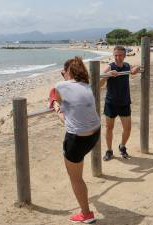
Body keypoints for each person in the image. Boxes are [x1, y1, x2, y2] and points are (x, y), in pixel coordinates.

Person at [52, 56, 100, 224]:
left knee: (76, 178)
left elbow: (56, 102)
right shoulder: (87, 86)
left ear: (69, 72)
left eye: (62, 72)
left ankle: (86, 214)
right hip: (95, 134)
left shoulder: (60, 86)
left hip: (77, 139)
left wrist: (57, 109)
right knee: (78, 166)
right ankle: (86, 210)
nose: (62, 75)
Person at [100, 46, 141, 161]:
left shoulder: (127, 66)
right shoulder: (110, 67)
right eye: (116, 55)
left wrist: (136, 68)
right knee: (109, 128)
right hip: (111, 103)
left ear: (124, 55)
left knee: (127, 128)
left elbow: (135, 68)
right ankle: (109, 150)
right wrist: (108, 75)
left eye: (120, 55)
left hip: (124, 102)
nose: (118, 57)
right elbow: (99, 84)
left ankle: (122, 147)